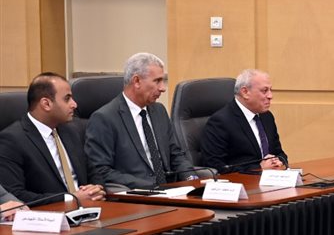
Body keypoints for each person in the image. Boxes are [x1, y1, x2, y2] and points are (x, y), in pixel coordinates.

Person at [85, 52, 197, 189]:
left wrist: (191, 179)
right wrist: (151, 187)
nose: (162, 88)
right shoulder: (104, 118)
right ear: (136, 81)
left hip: (171, 190)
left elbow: (176, 154)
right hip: (137, 194)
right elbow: (101, 172)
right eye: (157, 81)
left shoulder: (159, 111)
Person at [0, 73, 106, 205]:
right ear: (46, 104)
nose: (74, 104)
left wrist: (96, 189)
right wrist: (71, 198)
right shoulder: (11, 140)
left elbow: (93, 172)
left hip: (90, 208)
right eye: (67, 99)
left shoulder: (73, 130)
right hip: (50, 213)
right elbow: (15, 196)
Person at [200, 69, 288, 173]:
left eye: (270, 90)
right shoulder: (220, 122)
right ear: (245, 92)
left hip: (273, 178)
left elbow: (279, 153)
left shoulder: (267, 117)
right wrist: (258, 168)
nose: (270, 96)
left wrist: (279, 161)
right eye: (264, 91)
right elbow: (215, 167)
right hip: (242, 181)